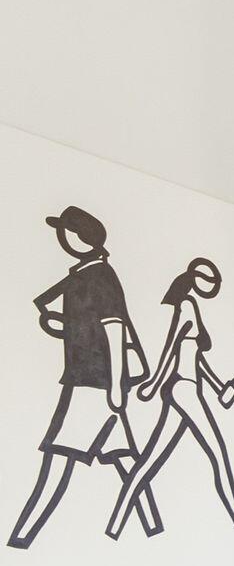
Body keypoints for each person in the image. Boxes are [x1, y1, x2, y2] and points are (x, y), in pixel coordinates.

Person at [8, 206, 160, 548]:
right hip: (90, 379)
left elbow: (115, 329)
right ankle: (154, 526)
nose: (62, 238)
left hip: (94, 384)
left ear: (80, 238)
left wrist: (118, 387)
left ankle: (21, 537)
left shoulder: (99, 277)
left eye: (65, 231)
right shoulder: (82, 276)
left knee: (59, 455)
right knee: (123, 458)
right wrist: (63, 327)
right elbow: (88, 328)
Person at [106, 257, 234, 538]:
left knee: (149, 462)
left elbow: (194, 358)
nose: (213, 284)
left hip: (186, 387)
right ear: (194, 278)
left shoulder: (190, 306)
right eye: (208, 279)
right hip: (182, 388)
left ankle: (115, 525)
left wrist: (219, 387)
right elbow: (171, 348)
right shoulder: (186, 305)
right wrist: (154, 383)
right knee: (218, 454)